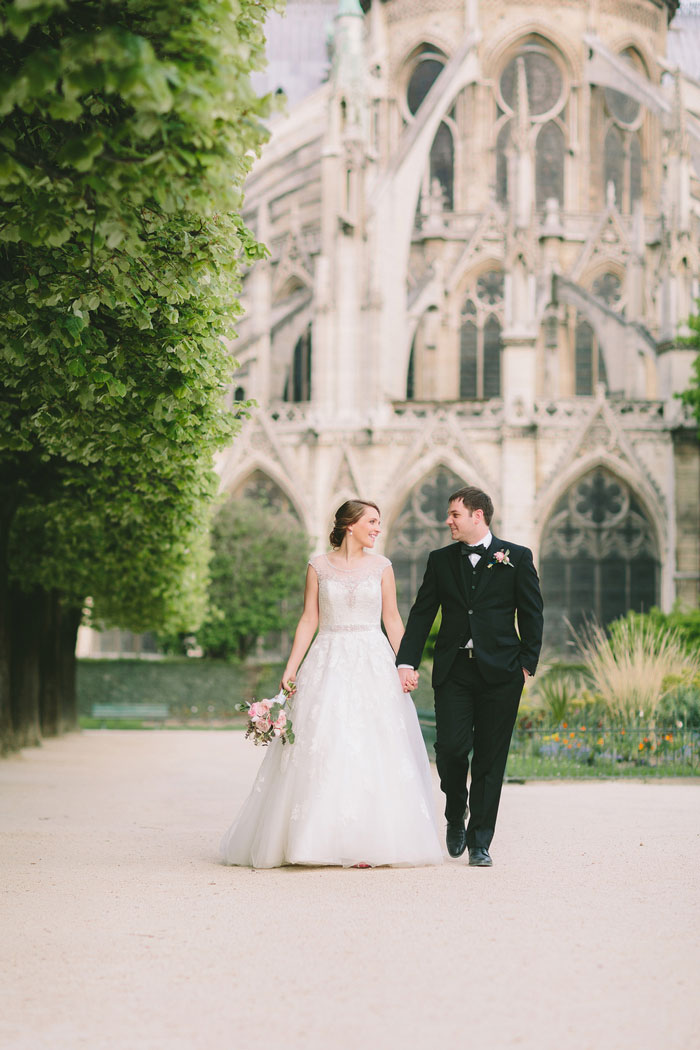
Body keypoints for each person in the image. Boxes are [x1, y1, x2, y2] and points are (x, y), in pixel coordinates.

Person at [221, 498, 443, 869]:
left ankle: (368, 841)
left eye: (378, 522)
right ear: (349, 525)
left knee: (374, 743)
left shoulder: (382, 567)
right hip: (328, 659)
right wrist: (292, 668)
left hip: (373, 660)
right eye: (372, 521)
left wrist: (405, 664)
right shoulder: (318, 566)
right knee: (325, 742)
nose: (377, 528)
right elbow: (309, 618)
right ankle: (314, 839)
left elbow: (392, 618)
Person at [396, 486, 544, 867]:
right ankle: (454, 811)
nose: (448, 521)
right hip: (454, 670)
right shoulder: (440, 560)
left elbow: (532, 613)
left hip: (502, 673)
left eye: (455, 514)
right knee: (450, 749)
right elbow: (422, 612)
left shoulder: (517, 557)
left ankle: (480, 841)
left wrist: (527, 664)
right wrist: (406, 661)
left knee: (491, 760)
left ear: (478, 515)